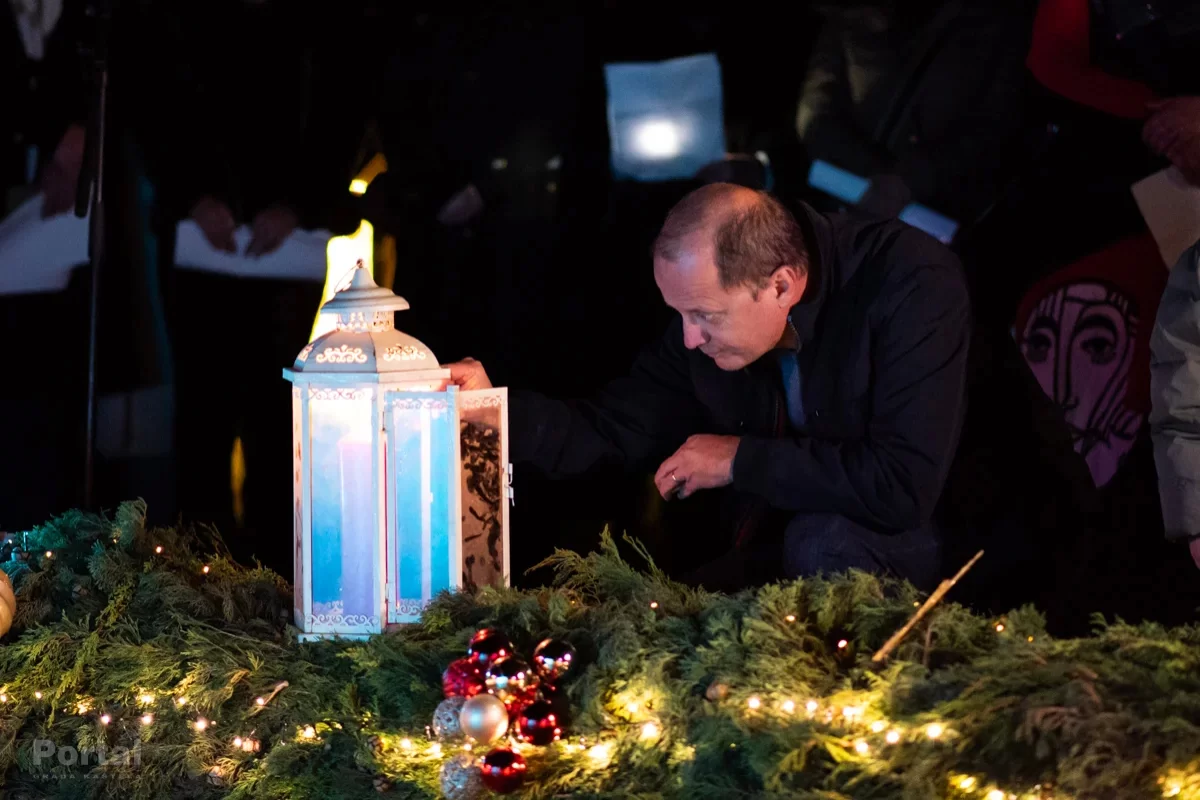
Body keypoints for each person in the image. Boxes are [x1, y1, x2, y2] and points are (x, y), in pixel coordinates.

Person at [448, 183, 970, 590]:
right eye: (678, 313)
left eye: (703, 315)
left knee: (823, 541)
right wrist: (487, 412)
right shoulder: (706, 326)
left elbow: (902, 487)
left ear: (781, 285)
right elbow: (610, 429)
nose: (689, 338)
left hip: (933, 547)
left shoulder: (911, 284)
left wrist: (738, 460)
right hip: (774, 548)